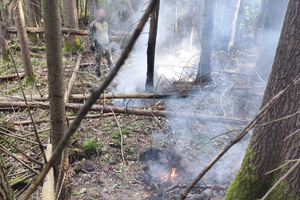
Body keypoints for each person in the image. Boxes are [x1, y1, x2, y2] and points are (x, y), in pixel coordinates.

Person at [88, 9, 114, 77]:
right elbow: (90, 34)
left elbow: (109, 33)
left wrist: (111, 41)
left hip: (107, 45)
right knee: (98, 62)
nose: (103, 14)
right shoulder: (93, 24)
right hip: (99, 46)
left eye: (104, 13)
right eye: (102, 13)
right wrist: (91, 44)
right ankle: (98, 76)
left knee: (110, 61)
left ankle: (113, 75)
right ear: (98, 14)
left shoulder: (106, 23)